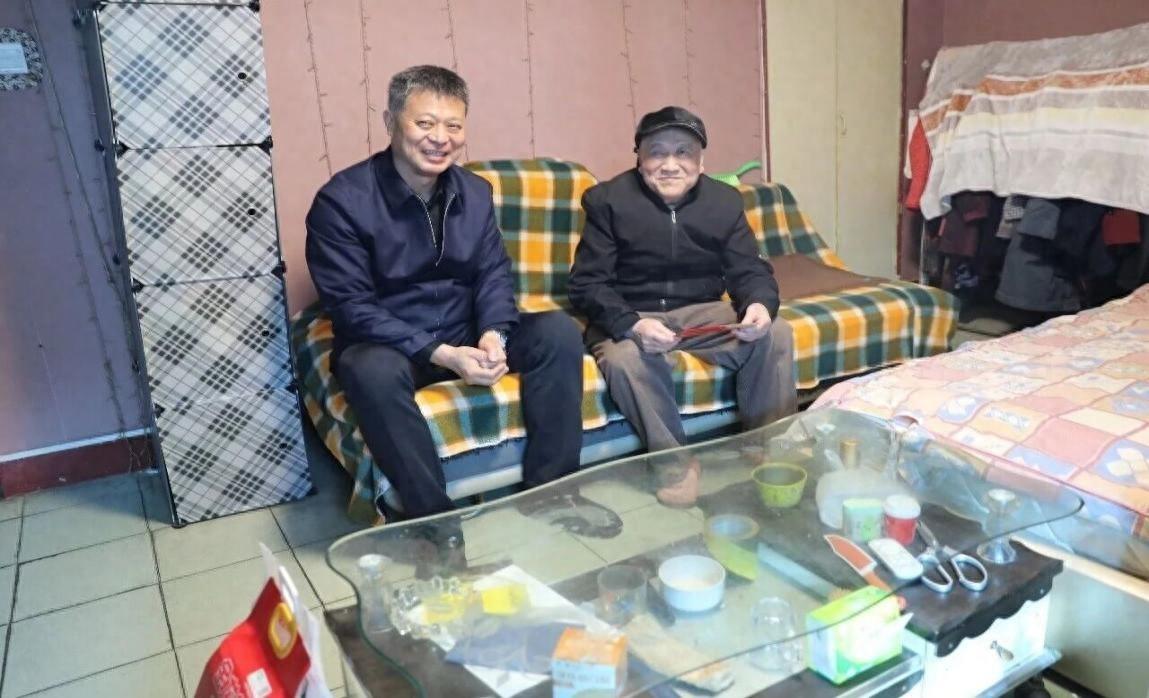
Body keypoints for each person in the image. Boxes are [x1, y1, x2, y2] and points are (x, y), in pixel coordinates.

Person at [305, 65, 587, 520]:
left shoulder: (475, 192)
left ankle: (551, 494)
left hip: (463, 329)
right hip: (389, 343)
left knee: (557, 331)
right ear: (391, 121)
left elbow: (493, 272)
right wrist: (442, 354)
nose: (441, 138)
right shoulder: (342, 201)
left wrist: (494, 333)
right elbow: (351, 307)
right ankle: (434, 523)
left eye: (453, 126)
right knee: (368, 370)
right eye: (425, 123)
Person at [569, 106, 798, 506]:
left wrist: (760, 304)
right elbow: (587, 284)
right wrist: (632, 324)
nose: (670, 165)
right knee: (623, 360)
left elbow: (749, 269)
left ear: (701, 161)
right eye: (657, 152)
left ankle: (765, 445)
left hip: (701, 310)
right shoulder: (607, 200)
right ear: (639, 158)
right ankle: (675, 465)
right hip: (634, 312)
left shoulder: (724, 202)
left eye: (683, 152)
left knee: (775, 332)